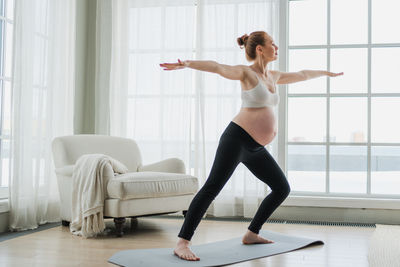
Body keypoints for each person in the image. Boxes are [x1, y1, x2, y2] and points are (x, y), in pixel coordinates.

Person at [159, 31, 343, 261]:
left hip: (255, 147)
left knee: (281, 188)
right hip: (236, 140)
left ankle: (252, 233)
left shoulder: (273, 76)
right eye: (272, 43)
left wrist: (326, 73)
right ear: (259, 49)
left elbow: (303, 74)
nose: (276, 47)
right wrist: (187, 63)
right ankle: (182, 243)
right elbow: (217, 67)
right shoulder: (246, 73)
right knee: (212, 188)